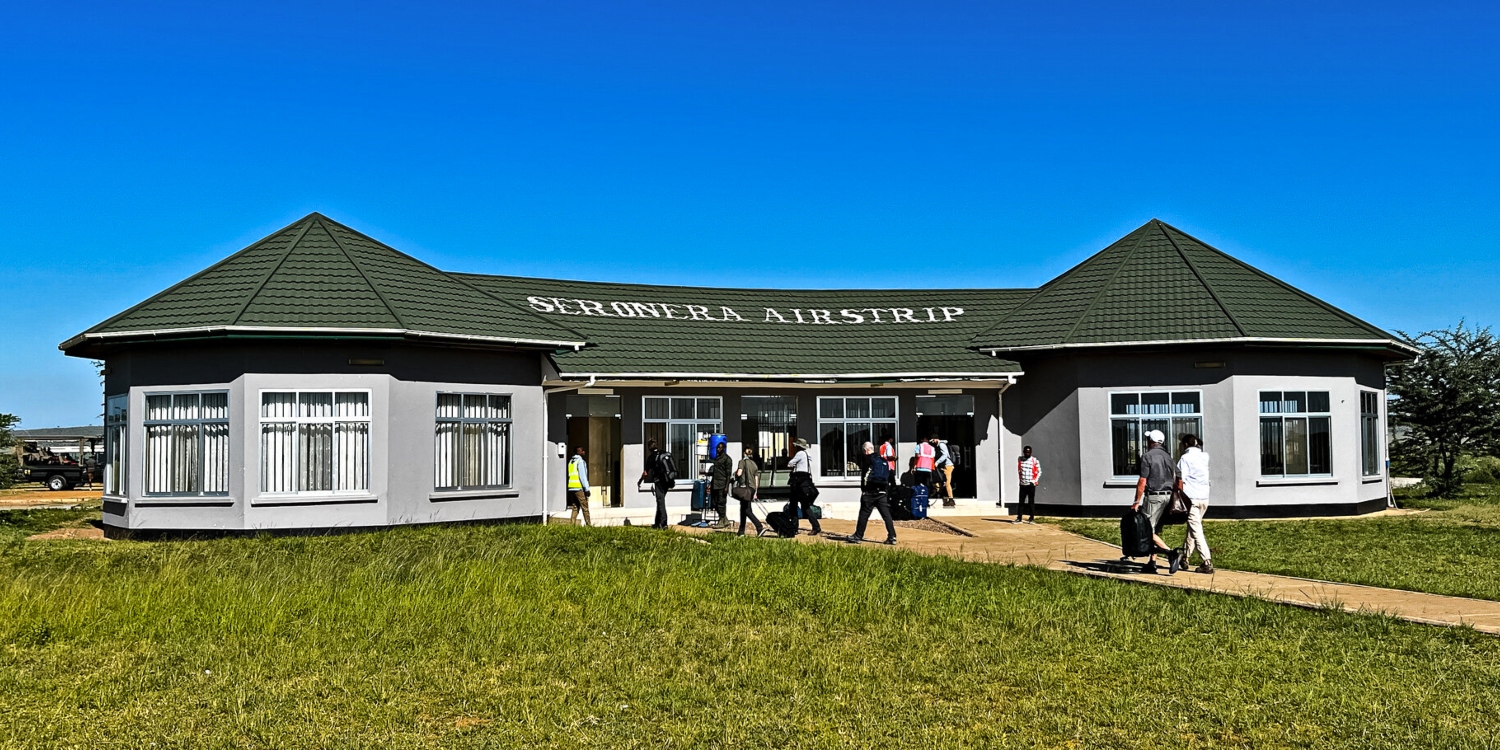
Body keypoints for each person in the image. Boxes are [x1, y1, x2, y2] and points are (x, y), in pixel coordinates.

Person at [1132, 430, 1183, 575]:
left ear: (1150, 441)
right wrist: (1177, 496)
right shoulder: (1168, 457)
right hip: (1168, 497)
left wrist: (1136, 501)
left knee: (1146, 529)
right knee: (1156, 529)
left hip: (1154, 497)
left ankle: (1170, 553)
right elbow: (1179, 478)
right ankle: (1152, 562)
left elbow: (1142, 480)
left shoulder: (1147, 456)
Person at [1175, 434, 1213, 574]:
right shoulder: (1205, 456)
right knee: (1193, 527)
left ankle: (1206, 561)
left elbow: (1180, 478)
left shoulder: (1185, 458)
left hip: (1191, 499)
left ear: (1185, 445)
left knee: (1196, 530)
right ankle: (1185, 557)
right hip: (1204, 497)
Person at [847, 441, 897, 545]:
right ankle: (892, 537)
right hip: (882, 492)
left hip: (870, 492)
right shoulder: (883, 460)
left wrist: (864, 490)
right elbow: (890, 476)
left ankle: (858, 536)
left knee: (864, 514)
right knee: (886, 515)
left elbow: (864, 476)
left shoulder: (868, 460)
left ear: (865, 450)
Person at [787, 437, 822, 536]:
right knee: (806, 506)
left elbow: (790, 464)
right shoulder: (808, 454)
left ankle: (794, 527)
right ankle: (816, 526)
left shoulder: (800, 454)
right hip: (806, 482)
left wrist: (792, 464)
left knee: (793, 505)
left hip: (798, 482)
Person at [638, 439, 673, 529]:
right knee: (660, 501)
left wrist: (640, 481)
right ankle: (657, 523)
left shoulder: (651, 457)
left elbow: (645, 473)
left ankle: (664, 524)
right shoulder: (663, 453)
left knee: (661, 502)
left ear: (649, 448)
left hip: (659, 482)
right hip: (668, 481)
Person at [733, 447, 765, 536]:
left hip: (744, 489)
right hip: (751, 489)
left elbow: (739, 473)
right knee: (744, 509)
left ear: (744, 454)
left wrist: (735, 474)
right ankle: (741, 531)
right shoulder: (754, 464)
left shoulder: (742, 462)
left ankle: (759, 527)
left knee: (746, 510)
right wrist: (755, 492)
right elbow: (756, 480)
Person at [709, 442, 735, 529]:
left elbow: (728, 474)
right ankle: (725, 520)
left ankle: (721, 521)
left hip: (722, 484)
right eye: (717, 448)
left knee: (721, 503)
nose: (718, 449)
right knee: (713, 503)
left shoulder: (727, 459)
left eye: (719, 448)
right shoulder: (717, 458)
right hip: (715, 483)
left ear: (723, 448)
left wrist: (726, 486)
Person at [566, 446, 592, 526]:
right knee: (585, 507)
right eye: (582, 450)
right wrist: (586, 489)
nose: (584, 451)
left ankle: (572, 524)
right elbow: (583, 476)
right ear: (578, 452)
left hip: (571, 487)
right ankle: (589, 525)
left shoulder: (571, 462)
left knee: (575, 507)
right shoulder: (580, 461)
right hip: (579, 488)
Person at [1015, 445, 1041, 522]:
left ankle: (1031, 518)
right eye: (1026, 452)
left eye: (1029, 452)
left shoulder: (1034, 460)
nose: (1027, 453)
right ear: (1023, 452)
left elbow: (1039, 471)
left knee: (1031, 502)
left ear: (1031, 452)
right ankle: (1019, 518)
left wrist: (1034, 481)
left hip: (1030, 484)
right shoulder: (1020, 459)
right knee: (1021, 502)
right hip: (1023, 484)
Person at [932, 435, 956, 507]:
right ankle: (940, 494)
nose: (932, 441)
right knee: (939, 480)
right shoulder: (938, 446)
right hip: (943, 466)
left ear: (936, 439)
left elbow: (945, 455)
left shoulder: (941, 445)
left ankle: (951, 499)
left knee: (947, 483)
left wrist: (937, 462)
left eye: (933, 439)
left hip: (947, 466)